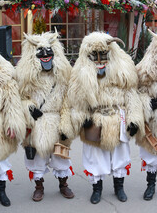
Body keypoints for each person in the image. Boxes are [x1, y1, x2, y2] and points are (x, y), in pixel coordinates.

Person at [60, 31, 145, 204]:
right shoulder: (80, 74)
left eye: (103, 54)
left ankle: (119, 187)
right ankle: (96, 189)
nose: (99, 59)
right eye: (95, 55)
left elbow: (131, 95)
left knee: (120, 155)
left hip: (117, 118)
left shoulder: (123, 70)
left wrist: (134, 119)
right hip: (95, 119)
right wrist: (82, 118)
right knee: (95, 156)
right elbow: (75, 101)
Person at [16, 30, 74, 202]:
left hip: (56, 121)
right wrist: (29, 108)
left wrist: (66, 126)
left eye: (48, 52)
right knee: (37, 160)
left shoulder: (63, 77)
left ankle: (63, 184)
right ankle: (39, 187)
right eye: (40, 53)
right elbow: (20, 98)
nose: (45, 56)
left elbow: (67, 103)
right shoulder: (27, 79)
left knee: (60, 157)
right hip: (37, 124)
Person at [0, 48, 26, 206]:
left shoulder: (5, 77)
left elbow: (12, 104)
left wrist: (12, 124)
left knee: (1, 161)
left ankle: (1, 190)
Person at [135, 29, 157, 201]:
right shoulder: (145, 71)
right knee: (151, 152)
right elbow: (139, 92)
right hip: (153, 118)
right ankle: (151, 185)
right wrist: (149, 104)